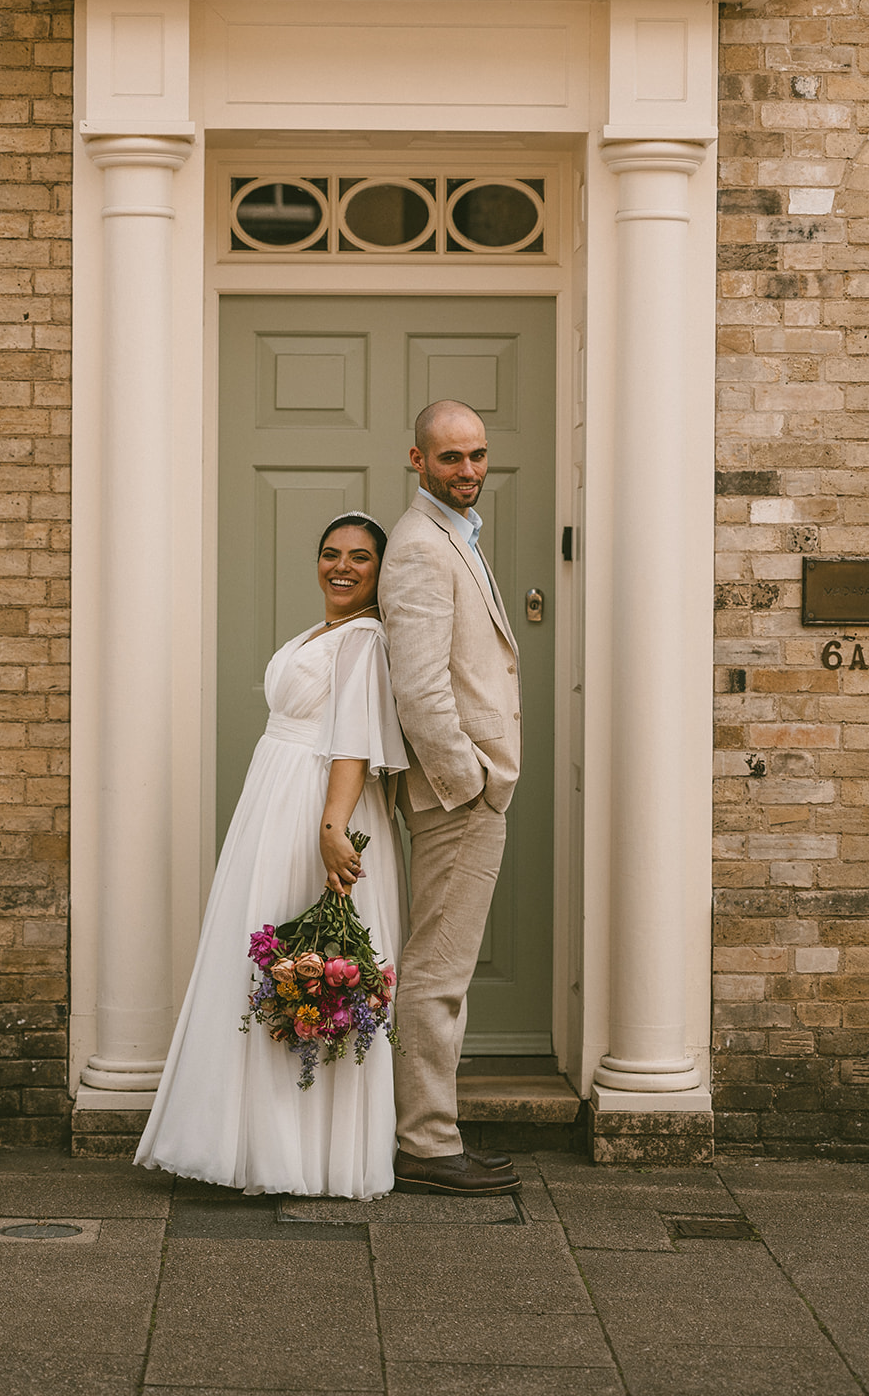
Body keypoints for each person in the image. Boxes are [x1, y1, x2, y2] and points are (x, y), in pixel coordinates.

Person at [135, 513, 408, 1199]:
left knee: (315, 955)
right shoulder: (322, 632)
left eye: (360, 558)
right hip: (274, 801)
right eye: (330, 553)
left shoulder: (365, 639)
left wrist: (331, 828)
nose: (341, 567)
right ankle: (253, 1142)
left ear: (381, 571)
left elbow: (352, 744)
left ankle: (309, 1153)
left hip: (318, 805)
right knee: (268, 954)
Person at [378, 400, 522, 1196]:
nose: (467, 470)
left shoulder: (452, 534)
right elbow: (419, 687)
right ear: (417, 460)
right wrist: (470, 783)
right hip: (455, 798)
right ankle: (427, 1143)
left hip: (463, 792)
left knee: (442, 968)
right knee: (438, 973)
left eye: (476, 455)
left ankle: (432, 1132)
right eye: (449, 458)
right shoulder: (420, 547)